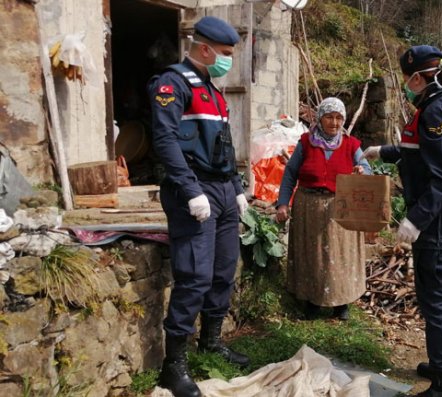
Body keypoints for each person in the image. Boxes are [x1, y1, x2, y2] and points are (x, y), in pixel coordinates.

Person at [362, 45, 442, 397]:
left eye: (407, 79)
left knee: (437, 295)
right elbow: (425, 152)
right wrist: (385, 151)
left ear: (419, 77)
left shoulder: (440, 109)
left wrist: (415, 220)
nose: (406, 85)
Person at [148, 16, 250, 397]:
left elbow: (224, 143)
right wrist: (190, 190)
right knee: (194, 277)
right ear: (204, 48)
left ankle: (211, 341)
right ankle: (173, 367)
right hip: (192, 190)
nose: (228, 61)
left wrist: (236, 186)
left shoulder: (213, 89)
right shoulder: (172, 83)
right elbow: (166, 140)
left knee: (223, 271)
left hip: (222, 191)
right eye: (225, 54)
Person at [276, 97, 371, 321]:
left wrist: (361, 171)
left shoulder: (351, 145)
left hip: (341, 206)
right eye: (329, 117)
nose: (334, 123)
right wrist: (282, 203)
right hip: (308, 205)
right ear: (320, 118)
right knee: (312, 254)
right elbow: (290, 173)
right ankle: (312, 301)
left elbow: (366, 167)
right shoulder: (307, 142)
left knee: (341, 254)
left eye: (339, 118)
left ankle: (342, 303)